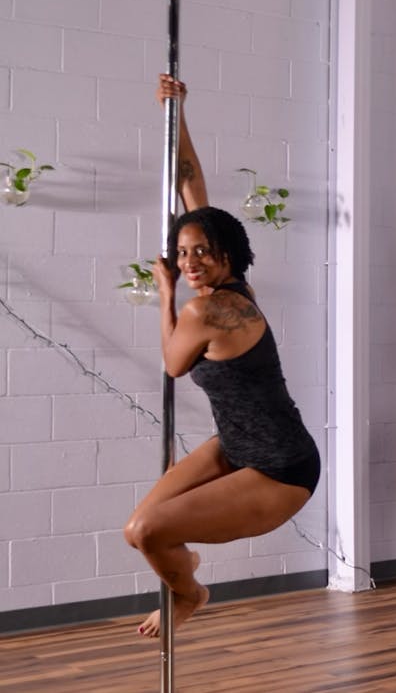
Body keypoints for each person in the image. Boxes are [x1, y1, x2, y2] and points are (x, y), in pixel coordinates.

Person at [124, 75, 320, 637]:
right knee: (139, 527)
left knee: (146, 531)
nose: (189, 262)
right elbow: (191, 185)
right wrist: (177, 113)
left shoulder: (204, 310)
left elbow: (172, 363)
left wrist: (165, 294)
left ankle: (189, 593)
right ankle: (184, 571)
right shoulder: (236, 290)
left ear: (226, 254)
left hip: (280, 469)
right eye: (182, 253)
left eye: (200, 252)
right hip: (234, 446)